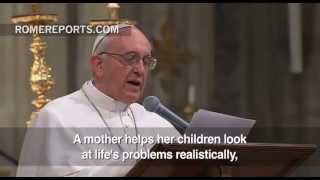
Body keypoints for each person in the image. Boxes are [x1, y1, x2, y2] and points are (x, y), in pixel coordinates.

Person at [16, 24, 180, 177]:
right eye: (130, 58)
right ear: (99, 65)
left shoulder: (154, 121)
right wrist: (137, 163)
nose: (140, 70)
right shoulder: (56, 117)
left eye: (146, 61)